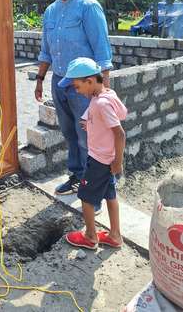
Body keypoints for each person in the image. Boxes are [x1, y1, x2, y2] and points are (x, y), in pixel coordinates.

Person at [35, 0, 113, 196]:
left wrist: (104, 92)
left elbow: (102, 51)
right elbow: (46, 50)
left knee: (88, 136)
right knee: (70, 134)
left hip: (86, 86)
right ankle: (77, 177)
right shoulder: (51, 11)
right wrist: (39, 79)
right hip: (60, 82)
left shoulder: (88, 7)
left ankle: (96, 188)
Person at [60, 58, 127, 250]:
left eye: (77, 86)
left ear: (90, 81)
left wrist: (118, 161)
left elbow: (119, 133)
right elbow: (115, 113)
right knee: (110, 195)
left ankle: (90, 237)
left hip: (99, 160)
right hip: (106, 158)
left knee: (85, 197)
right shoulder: (106, 94)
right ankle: (115, 236)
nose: (76, 91)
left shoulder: (101, 104)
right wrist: (89, 122)